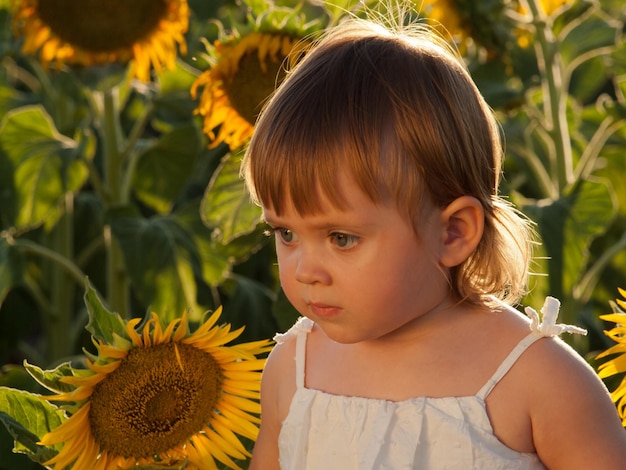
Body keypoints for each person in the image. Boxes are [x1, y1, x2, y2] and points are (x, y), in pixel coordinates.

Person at [241, 15, 626, 470]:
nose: (305, 270)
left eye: (341, 238)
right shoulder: (294, 372)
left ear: (453, 232)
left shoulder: (537, 381)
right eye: (285, 233)